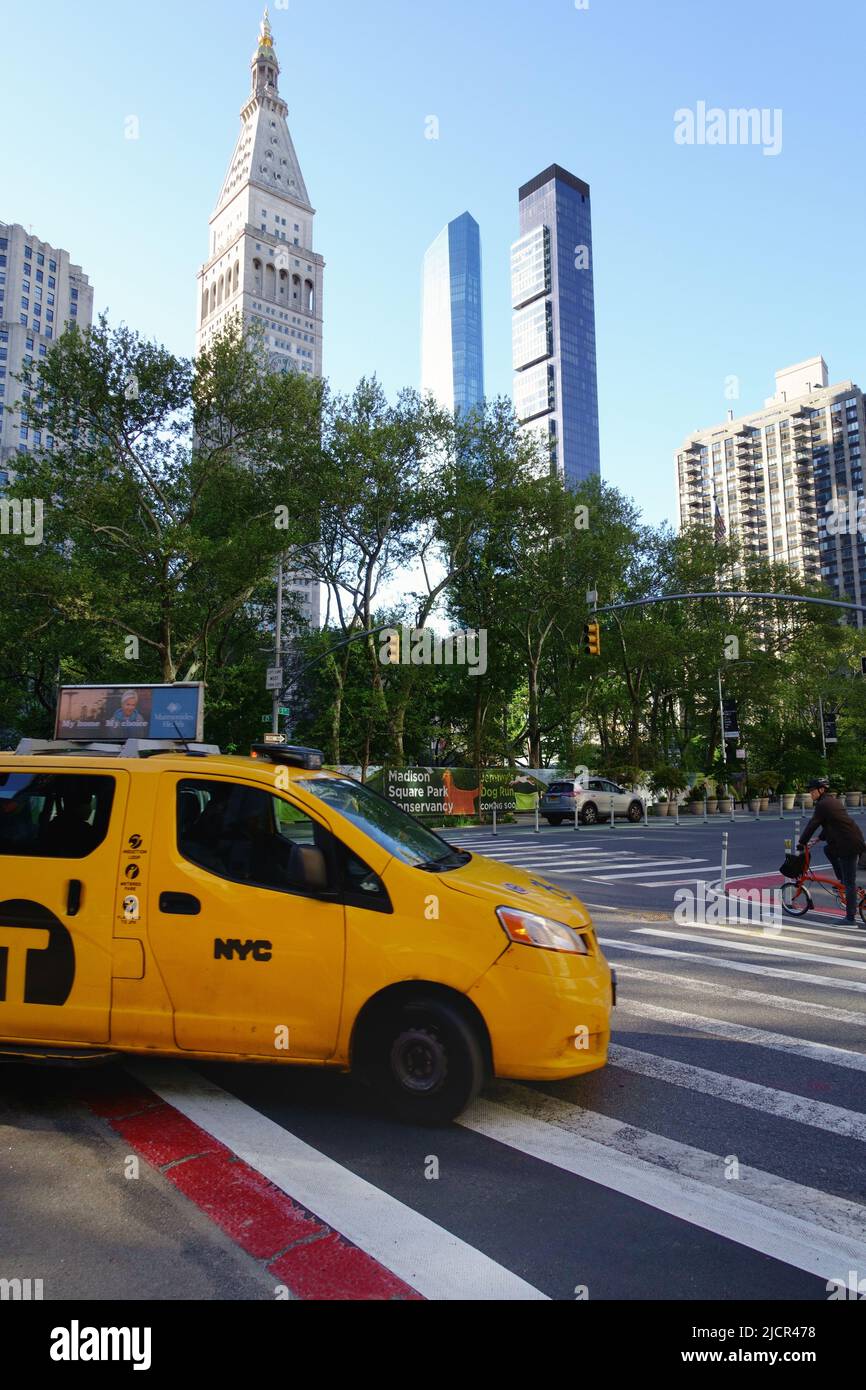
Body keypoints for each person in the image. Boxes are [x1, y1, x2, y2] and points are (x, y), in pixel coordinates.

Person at [797, 777, 866, 926]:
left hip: (848, 844)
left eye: (812, 790)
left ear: (821, 790)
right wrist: (819, 838)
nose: (810, 793)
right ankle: (842, 879)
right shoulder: (831, 801)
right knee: (828, 850)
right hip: (850, 840)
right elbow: (832, 823)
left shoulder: (823, 804)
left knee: (850, 883)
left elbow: (813, 824)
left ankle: (850, 918)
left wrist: (802, 842)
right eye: (810, 791)